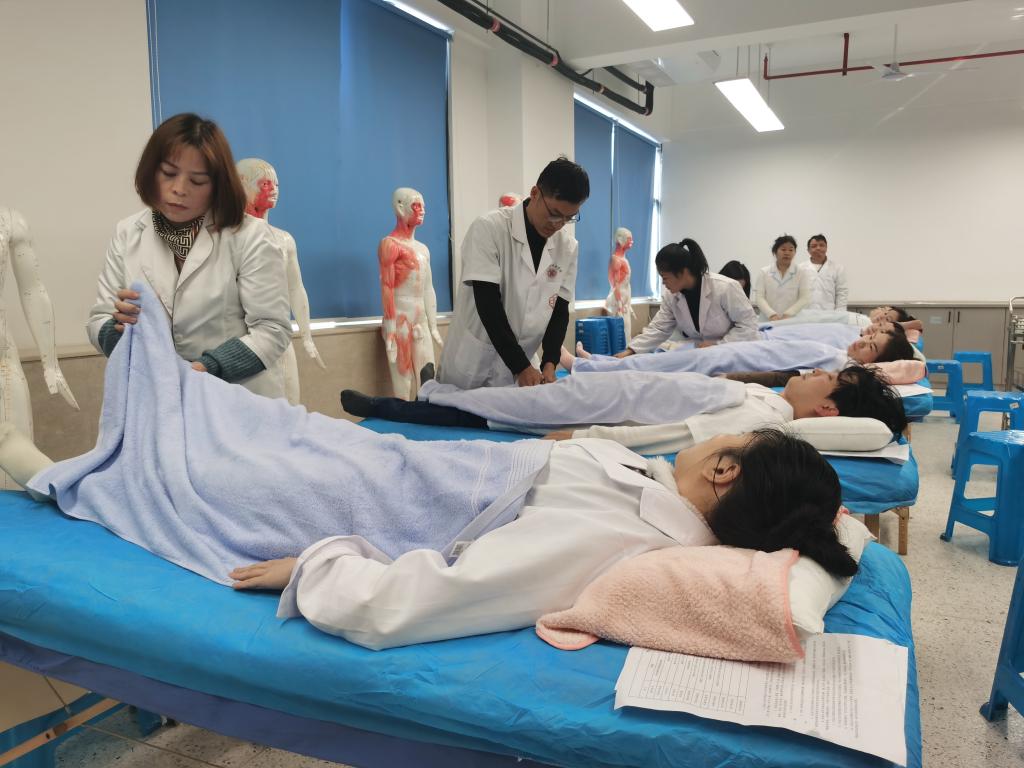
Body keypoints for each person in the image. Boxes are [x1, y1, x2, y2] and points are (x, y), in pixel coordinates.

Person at [0, 287, 856, 650]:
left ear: (726, 473)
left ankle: (51, 470)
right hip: (396, 463)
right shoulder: (648, 491)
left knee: (201, 474)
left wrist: (318, 568)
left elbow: (426, 600)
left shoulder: (617, 541)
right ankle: (132, 415)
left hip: (366, 497)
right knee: (262, 420)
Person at [87, 113, 292, 399]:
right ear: (151, 171)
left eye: (197, 181)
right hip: (155, 395)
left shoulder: (250, 236)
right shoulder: (128, 232)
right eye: (168, 173)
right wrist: (119, 332)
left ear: (217, 186)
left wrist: (206, 369)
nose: (179, 189)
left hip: (234, 397)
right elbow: (99, 318)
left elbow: (272, 329)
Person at [343, 363, 907, 456]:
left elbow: (675, 436)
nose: (814, 372)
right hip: (620, 388)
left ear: (827, 409)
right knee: (507, 402)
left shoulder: (764, 421)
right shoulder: (771, 398)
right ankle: (432, 393)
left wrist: (582, 437)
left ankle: (397, 407)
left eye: (826, 379)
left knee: (505, 411)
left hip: (607, 410)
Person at [439, 158, 589, 390]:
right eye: (554, 214)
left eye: (569, 218)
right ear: (535, 193)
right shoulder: (489, 228)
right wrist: (520, 366)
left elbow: (559, 310)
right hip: (474, 361)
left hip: (525, 363)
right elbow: (488, 304)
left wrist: (550, 362)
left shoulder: (567, 247)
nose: (558, 224)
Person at [236, 157, 326, 406]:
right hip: (247, 338)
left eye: (276, 184)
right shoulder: (229, 238)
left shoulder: (283, 239)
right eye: (265, 184)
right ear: (243, 185)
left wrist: (306, 336)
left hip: (281, 337)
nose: (274, 189)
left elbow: (295, 288)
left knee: (292, 402)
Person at [0, 207, 79, 488]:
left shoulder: (9, 220)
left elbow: (32, 289)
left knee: (18, 479)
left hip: (3, 363)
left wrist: (51, 364)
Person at [565, 326, 916, 378]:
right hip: (741, 351)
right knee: (664, 359)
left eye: (871, 347)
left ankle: (586, 369)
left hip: (733, 361)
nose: (863, 341)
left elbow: (911, 368)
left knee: (662, 366)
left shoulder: (843, 365)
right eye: (869, 337)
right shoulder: (841, 353)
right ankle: (596, 362)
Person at [616, 239, 757, 357]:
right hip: (701, 354)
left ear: (682, 272)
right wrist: (630, 351)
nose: (663, 283)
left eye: (665, 277)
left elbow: (748, 325)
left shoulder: (725, 287)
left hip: (734, 352)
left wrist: (719, 345)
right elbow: (659, 328)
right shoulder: (671, 296)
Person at [377, 187, 444, 400]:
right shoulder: (390, 245)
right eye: (416, 205)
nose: (422, 210)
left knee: (427, 381)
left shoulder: (423, 249)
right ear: (400, 207)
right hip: (400, 321)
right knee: (403, 385)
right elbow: (387, 286)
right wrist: (390, 329)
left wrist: (433, 325)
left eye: (423, 206)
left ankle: (424, 418)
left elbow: (428, 288)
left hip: (420, 320)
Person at [754, 235, 812, 321]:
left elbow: (804, 298)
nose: (787, 253)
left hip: (792, 319)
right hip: (768, 319)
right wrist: (771, 314)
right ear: (775, 251)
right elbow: (759, 298)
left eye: (791, 250)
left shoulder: (801, 273)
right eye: (783, 249)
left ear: (794, 252)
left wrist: (789, 313)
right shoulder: (764, 272)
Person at [801, 234, 848, 312]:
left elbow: (842, 292)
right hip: (805, 314)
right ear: (808, 250)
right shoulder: (800, 269)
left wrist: (840, 313)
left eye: (821, 245)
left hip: (829, 314)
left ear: (826, 248)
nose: (818, 248)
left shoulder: (838, 268)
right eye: (814, 246)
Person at [604, 226, 635, 338]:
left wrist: (628, 303)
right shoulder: (616, 260)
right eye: (629, 239)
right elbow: (615, 284)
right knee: (621, 333)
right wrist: (620, 304)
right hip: (617, 302)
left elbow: (627, 285)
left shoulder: (624, 259)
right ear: (621, 240)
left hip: (624, 301)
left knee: (627, 332)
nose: (631, 242)